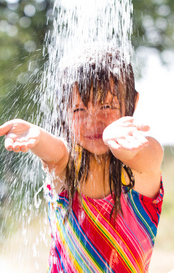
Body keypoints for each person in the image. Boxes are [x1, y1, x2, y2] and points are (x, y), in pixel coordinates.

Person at [0, 47, 164, 273]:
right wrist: (39, 139)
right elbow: (57, 154)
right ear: (64, 112)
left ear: (132, 102)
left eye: (107, 106)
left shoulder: (138, 169)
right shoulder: (69, 166)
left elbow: (148, 155)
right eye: (78, 109)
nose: (92, 121)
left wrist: (119, 145)